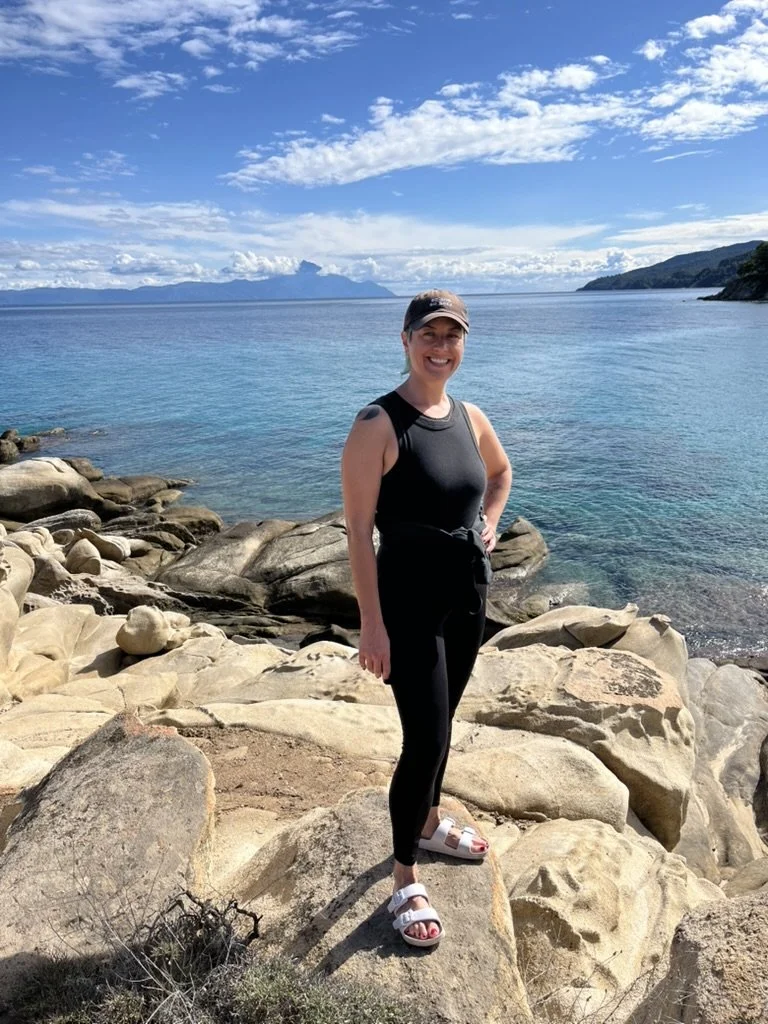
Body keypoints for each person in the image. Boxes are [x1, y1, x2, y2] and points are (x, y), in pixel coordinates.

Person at [341, 289, 512, 947]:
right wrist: (372, 624)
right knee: (426, 739)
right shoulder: (378, 424)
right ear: (406, 340)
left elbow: (500, 474)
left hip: (466, 597)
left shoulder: (469, 416)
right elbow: (359, 533)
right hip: (407, 606)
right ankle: (404, 877)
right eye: (429, 335)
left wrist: (489, 523)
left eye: (452, 336)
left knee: (444, 726)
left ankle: (431, 822)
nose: (441, 348)